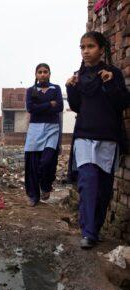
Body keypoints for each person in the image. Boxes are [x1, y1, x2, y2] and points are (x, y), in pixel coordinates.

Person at [66, 31, 129, 249]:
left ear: (101, 49)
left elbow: (122, 103)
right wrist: (70, 87)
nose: (85, 51)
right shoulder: (79, 76)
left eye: (90, 46)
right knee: (88, 184)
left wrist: (111, 84)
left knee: (103, 188)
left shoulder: (113, 73)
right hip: (84, 137)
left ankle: (96, 229)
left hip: (108, 139)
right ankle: (88, 232)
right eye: (82, 47)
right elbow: (76, 107)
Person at [24, 63, 63, 207]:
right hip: (35, 129)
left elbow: (59, 106)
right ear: (36, 75)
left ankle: (46, 186)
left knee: (47, 161)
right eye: (39, 72)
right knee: (33, 165)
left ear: (49, 73)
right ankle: (34, 196)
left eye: (45, 72)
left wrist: (41, 107)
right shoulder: (31, 90)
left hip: (52, 129)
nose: (42, 74)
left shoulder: (56, 88)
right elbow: (30, 108)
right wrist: (49, 105)